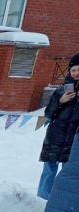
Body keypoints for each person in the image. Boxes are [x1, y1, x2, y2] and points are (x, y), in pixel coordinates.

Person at [37, 53, 79, 200]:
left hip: (73, 140)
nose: (76, 73)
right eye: (73, 70)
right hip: (55, 137)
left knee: (67, 172)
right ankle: (42, 198)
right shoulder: (60, 91)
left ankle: (60, 199)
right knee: (49, 169)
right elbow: (48, 113)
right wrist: (60, 101)